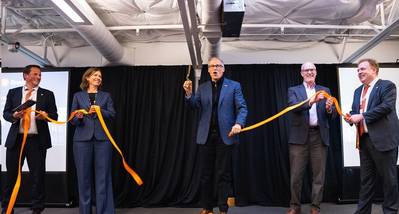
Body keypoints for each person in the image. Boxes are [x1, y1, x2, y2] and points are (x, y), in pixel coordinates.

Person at [183, 57, 248, 214]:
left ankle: (223, 209)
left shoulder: (234, 86)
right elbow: (194, 106)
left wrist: (239, 124)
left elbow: (242, 108)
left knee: (223, 174)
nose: (215, 68)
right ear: (209, 70)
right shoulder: (203, 88)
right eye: (212, 66)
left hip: (225, 136)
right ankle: (207, 207)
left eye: (218, 65)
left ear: (223, 69)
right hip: (206, 136)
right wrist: (189, 94)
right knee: (206, 174)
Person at [2, 65, 58, 214]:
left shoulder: (47, 94)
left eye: (40, 75)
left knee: (37, 177)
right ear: (25, 76)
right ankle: (7, 208)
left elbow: (55, 116)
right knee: (11, 177)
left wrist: (45, 116)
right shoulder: (13, 93)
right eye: (35, 74)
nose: (38, 77)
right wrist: (13, 116)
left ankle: (37, 209)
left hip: (37, 141)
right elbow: (5, 114)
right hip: (16, 141)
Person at [345, 58, 399, 214]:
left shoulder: (386, 85)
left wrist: (361, 116)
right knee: (366, 181)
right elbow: (356, 111)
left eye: (363, 69)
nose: (359, 72)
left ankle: (390, 211)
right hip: (364, 140)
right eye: (358, 70)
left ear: (374, 70)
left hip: (384, 140)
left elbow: (386, 107)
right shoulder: (357, 91)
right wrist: (351, 117)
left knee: (389, 181)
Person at [286, 62, 335, 214]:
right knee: (295, 176)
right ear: (301, 73)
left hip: (319, 136)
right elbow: (294, 107)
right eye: (306, 70)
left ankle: (315, 207)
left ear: (316, 72)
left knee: (318, 176)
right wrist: (312, 101)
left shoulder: (325, 90)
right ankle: (295, 206)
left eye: (312, 69)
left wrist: (328, 108)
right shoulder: (293, 90)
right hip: (299, 138)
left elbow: (331, 115)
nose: (309, 72)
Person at [70, 67, 116, 214]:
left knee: (103, 178)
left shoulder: (106, 96)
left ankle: (105, 211)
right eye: (95, 75)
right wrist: (78, 117)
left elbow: (112, 114)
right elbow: (72, 120)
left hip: (103, 141)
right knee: (83, 178)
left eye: (100, 76)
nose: (98, 78)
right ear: (87, 78)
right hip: (81, 141)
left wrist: (99, 110)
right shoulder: (78, 96)